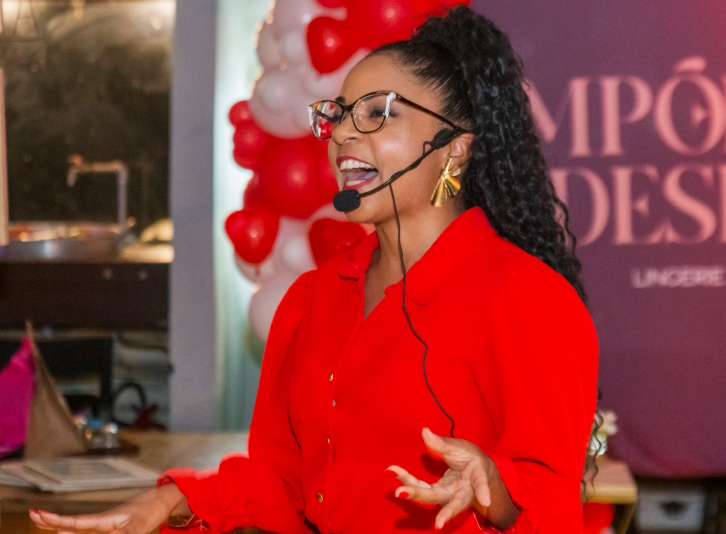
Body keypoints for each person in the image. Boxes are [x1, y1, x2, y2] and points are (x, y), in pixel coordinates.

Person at [29, 6, 600, 534]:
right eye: (340, 114)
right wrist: (172, 501)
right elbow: (283, 484)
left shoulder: (528, 299)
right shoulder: (313, 297)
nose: (344, 133)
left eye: (378, 113)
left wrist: (493, 491)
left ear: (454, 148)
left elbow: (551, 508)